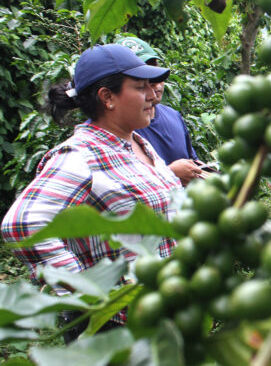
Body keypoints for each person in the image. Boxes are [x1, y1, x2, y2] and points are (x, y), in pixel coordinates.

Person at [1, 44, 181, 338]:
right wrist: (88, 290)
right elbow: (22, 224)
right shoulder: (82, 155)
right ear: (107, 97)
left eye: (151, 85)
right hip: (116, 328)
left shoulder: (138, 144)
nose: (152, 95)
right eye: (139, 87)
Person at [115, 36, 204, 185]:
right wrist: (170, 174)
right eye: (142, 79)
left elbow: (191, 160)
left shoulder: (173, 116)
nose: (154, 84)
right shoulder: (117, 131)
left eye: (155, 72)